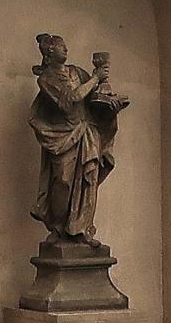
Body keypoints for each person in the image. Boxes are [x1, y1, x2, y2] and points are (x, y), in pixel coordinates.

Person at [28, 33, 123, 246]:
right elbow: (69, 100)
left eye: (65, 45)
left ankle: (82, 230)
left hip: (86, 132)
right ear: (50, 52)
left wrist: (110, 103)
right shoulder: (46, 79)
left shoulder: (77, 72)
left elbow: (93, 98)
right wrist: (95, 78)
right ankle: (58, 228)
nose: (66, 49)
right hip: (63, 136)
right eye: (61, 46)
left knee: (88, 181)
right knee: (62, 182)